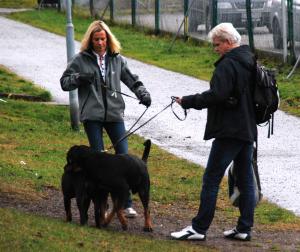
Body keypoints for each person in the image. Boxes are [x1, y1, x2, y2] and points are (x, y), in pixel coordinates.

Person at [170, 23, 257, 241]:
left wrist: (187, 101)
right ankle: (244, 228)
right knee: (245, 179)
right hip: (247, 129)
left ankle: (199, 228)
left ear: (228, 42)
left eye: (217, 45)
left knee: (211, 178)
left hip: (229, 131)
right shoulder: (250, 60)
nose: (215, 49)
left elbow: (216, 95)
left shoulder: (228, 64)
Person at [60, 20, 151, 218]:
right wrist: (79, 78)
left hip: (115, 115)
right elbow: (64, 82)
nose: (100, 43)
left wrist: (143, 94)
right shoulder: (80, 59)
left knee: (124, 157)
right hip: (91, 116)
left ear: (108, 39)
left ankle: (126, 204)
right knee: (98, 161)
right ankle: (100, 204)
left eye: (103, 39)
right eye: (96, 39)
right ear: (90, 40)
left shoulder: (117, 59)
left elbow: (132, 80)